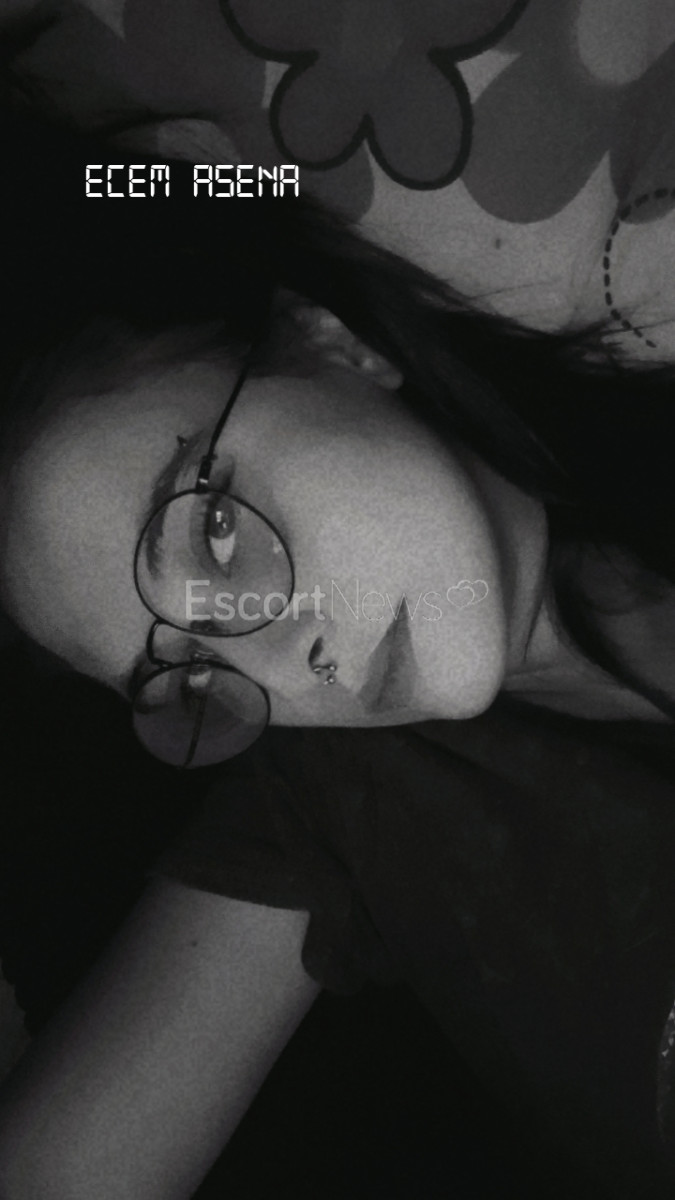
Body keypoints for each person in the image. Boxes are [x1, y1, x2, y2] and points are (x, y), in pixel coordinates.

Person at [1, 67, 675, 1200]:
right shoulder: (336, 809)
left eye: (215, 531)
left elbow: (223, 174)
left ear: (331, 346)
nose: (283, 667)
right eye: (190, 673)